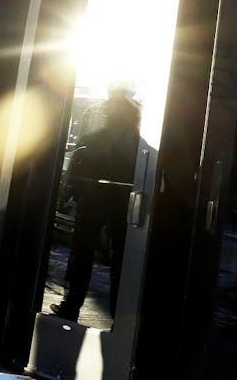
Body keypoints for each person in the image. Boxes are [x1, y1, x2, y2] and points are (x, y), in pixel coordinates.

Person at [49, 86, 140, 321]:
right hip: (120, 198)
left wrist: (70, 190)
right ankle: (119, 314)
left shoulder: (98, 117)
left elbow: (81, 155)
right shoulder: (133, 123)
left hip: (94, 195)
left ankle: (72, 305)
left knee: (82, 253)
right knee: (119, 257)